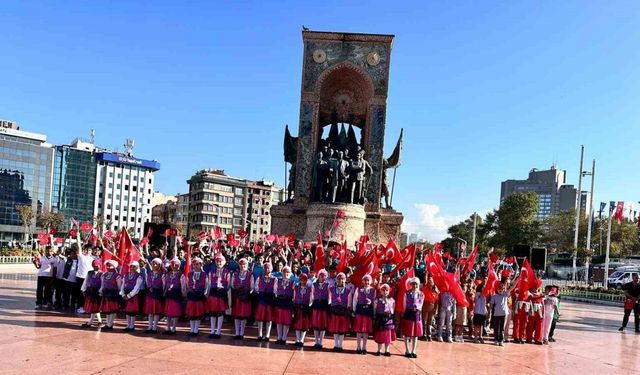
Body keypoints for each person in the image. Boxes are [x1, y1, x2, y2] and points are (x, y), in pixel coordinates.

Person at [207, 254, 231, 339]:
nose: (219, 263)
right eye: (217, 261)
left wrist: (222, 289)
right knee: (213, 312)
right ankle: (212, 330)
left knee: (220, 312)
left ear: (224, 262)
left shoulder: (227, 272)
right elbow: (209, 283)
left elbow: (228, 284)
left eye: (221, 261)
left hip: (221, 293)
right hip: (213, 293)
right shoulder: (211, 272)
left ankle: (218, 331)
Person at [490, 278, 518, 346]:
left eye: (502, 288)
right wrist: (489, 312)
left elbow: (512, 287)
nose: (500, 290)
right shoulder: (494, 296)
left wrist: (517, 280)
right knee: (496, 327)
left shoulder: (505, 294)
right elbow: (491, 305)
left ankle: (501, 340)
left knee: (502, 327)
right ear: (497, 289)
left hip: (504, 313)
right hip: (496, 314)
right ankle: (496, 339)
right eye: (499, 288)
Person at [185, 257, 210, 336]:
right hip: (191, 295)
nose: (196, 266)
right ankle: (192, 329)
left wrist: (205, 294)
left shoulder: (204, 274)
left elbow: (207, 285)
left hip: (199, 295)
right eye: (194, 264)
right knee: (191, 313)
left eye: (197, 264)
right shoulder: (190, 274)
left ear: (201, 265)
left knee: (198, 313)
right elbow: (187, 284)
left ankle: (196, 329)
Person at [353, 274, 376, 354]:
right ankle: (358, 346)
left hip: (368, 311)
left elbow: (373, 302)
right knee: (359, 330)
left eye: (368, 280)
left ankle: (364, 347)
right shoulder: (358, 289)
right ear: (362, 281)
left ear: (370, 281)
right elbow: (355, 300)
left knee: (366, 331)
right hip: (360, 310)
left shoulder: (373, 290)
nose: (366, 282)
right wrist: (354, 309)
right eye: (365, 280)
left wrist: (374, 312)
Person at [328, 272, 351, 352]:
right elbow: (329, 298)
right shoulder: (331, 288)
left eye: (342, 279)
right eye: (339, 279)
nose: (340, 280)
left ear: (345, 280)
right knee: (335, 328)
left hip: (343, 310)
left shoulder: (348, 290)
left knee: (342, 328)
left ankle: (340, 345)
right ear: (336, 280)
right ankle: (336, 344)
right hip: (335, 310)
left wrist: (348, 308)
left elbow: (349, 301)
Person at [231, 258, 253, 339]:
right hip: (237, 297)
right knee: (237, 315)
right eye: (241, 264)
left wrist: (246, 292)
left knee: (243, 316)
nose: (242, 266)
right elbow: (232, 284)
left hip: (245, 297)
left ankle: (242, 333)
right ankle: (237, 332)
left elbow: (252, 286)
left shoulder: (250, 274)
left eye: (244, 264)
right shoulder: (235, 274)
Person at [402, 277, 424, 358]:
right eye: (413, 284)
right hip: (408, 313)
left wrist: (417, 307)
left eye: (416, 284)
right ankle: (407, 350)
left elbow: (421, 303)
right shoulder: (406, 293)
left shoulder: (421, 294)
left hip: (416, 314)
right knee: (407, 333)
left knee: (415, 333)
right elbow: (404, 304)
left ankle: (413, 350)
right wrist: (406, 310)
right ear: (410, 284)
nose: (414, 285)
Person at [254, 262, 276, 341]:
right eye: (266, 268)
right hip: (262, 298)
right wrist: (261, 291)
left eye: (268, 268)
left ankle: (267, 335)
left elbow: (275, 289)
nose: (267, 269)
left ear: (271, 269)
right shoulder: (260, 278)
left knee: (269, 318)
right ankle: (260, 334)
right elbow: (256, 287)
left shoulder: (274, 279)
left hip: (270, 299)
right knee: (260, 317)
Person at [274, 266, 295, 344]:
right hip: (280, 302)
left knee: (286, 321)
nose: (286, 274)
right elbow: (275, 290)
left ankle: (284, 338)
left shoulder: (293, 283)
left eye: (288, 272)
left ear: (290, 274)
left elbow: (294, 294)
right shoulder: (278, 281)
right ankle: (279, 337)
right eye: (284, 272)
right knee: (279, 321)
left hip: (288, 303)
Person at [121, 261, 144, 332]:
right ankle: (128, 325)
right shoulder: (126, 275)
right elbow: (123, 284)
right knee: (127, 311)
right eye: (131, 266)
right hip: (126, 294)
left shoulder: (139, 276)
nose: (132, 268)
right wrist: (122, 294)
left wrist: (129, 295)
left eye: (134, 266)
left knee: (132, 312)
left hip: (133, 295)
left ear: (137, 267)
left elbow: (137, 287)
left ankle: (132, 326)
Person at [99, 260, 122, 330]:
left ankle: (110, 324)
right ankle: (107, 323)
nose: (108, 267)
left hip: (113, 294)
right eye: (107, 265)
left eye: (110, 265)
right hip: (106, 293)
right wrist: (100, 291)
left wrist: (120, 294)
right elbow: (102, 284)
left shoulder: (117, 276)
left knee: (112, 310)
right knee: (107, 310)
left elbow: (119, 286)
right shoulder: (104, 275)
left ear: (114, 266)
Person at [143, 258, 165, 334]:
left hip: (157, 293)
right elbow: (147, 282)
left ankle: (154, 327)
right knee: (150, 311)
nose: (154, 265)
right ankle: (149, 327)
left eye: (155, 264)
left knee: (156, 311)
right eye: (153, 264)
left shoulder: (162, 274)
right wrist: (149, 288)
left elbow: (164, 285)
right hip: (150, 293)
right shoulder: (149, 273)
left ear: (159, 265)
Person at [373, 283, 395, 356]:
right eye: (383, 290)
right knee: (380, 334)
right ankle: (379, 349)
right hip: (380, 318)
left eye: (386, 290)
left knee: (387, 334)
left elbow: (393, 310)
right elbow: (375, 308)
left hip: (388, 319)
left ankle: (387, 350)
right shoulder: (377, 300)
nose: (385, 292)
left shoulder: (392, 300)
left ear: (389, 291)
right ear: (381, 291)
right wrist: (375, 316)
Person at [163, 258, 184, 335]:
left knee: (175, 312)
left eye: (176, 264)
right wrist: (164, 292)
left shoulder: (181, 275)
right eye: (172, 264)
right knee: (168, 312)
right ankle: (168, 328)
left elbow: (183, 286)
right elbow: (165, 284)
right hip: (169, 294)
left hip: (176, 294)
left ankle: (174, 328)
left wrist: (183, 294)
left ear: (179, 265)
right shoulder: (168, 274)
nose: (174, 266)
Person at [310, 269, 330, 349]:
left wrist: (329, 304)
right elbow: (312, 295)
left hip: (324, 305)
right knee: (315, 324)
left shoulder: (328, 285)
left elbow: (329, 296)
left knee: (322, 324)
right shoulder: (314, 284)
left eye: (324, 275)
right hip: (316, 304)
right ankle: (316, 341)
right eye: (321, 275)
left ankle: (320, 342)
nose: (322, 277)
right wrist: (310, 304)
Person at [80, 259, 103, 328]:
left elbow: (103, 284)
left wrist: (100, 291)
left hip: (97, 292)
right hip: (90, 291)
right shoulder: (89, 273)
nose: (96, 267)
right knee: (93, 307)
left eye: (97, 265)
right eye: (95, 266)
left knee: (95, 307)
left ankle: (91, 322)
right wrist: (83, 289)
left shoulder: (102, 274)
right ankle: (99, 321)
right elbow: (86, 281)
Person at [292, 273, 312, 347]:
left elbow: (311, 297)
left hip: (305, 307)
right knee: (297, 323)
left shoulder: (310, 287)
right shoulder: (296, 287)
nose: (303, 281)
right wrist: (295, 303)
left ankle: (302, 339)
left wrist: (309, 305)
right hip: (298, 306)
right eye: (301, 279)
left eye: (304, 279)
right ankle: (297, 339)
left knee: (304, 325)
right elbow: (294, 296)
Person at [75, 244, 95, 313]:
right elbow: (79, 247)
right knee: (80, 293)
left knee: (87, 294)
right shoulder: (81, 257)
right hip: (80, 277)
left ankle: (87, 307)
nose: (87, 251)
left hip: (89, 279)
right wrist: (78, 236)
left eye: (89, 250)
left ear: (91, 251)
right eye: (86, 250)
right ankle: (80, 307)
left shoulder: (93, 259)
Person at [421, 274, 439, 341]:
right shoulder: (424, 289)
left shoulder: (435, 291)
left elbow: (437, 302)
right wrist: (426, 273)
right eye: (429, 281)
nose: (430, 283)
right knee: (424, 321)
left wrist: (436, 309)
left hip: (432, 307)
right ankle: (423, 334)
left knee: (429, 322)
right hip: (425, 306)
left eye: (431, 282)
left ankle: (429, 334)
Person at [527, 280, 544, 344]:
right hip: (532, 309)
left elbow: (542, 304)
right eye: (535, 287)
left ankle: (538, 339)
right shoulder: (530, 293)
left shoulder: (540, 293)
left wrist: (543, 313)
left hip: (539, 310)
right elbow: (532, 298)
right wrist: (541, 296)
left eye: (537, 287)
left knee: (539, 325)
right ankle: (529, 338)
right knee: (530, 324)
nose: (536, 288)